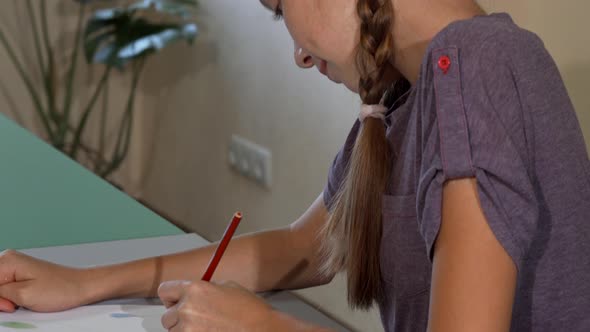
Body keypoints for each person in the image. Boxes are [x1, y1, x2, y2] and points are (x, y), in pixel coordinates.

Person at [1, 0, 589, 331]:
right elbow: (295, 248)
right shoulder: (405, 99)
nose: (301, 55)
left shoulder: (477, 66)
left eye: (281, 8)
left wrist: (262, 328)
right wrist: (84, 283)